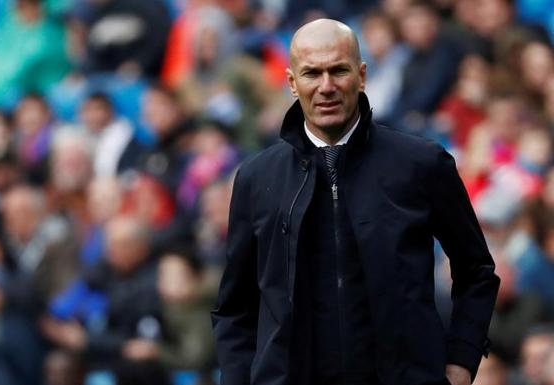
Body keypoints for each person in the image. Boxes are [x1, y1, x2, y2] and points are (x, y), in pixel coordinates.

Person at [211, 19, 500, 385]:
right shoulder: (257, 178)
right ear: (291, 82)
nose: (326, 86)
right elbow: (235, 308)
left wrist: (461, 361)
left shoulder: (421, 164)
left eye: (339, 70)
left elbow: (476, 271)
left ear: (361, 76)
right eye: (312, 73)